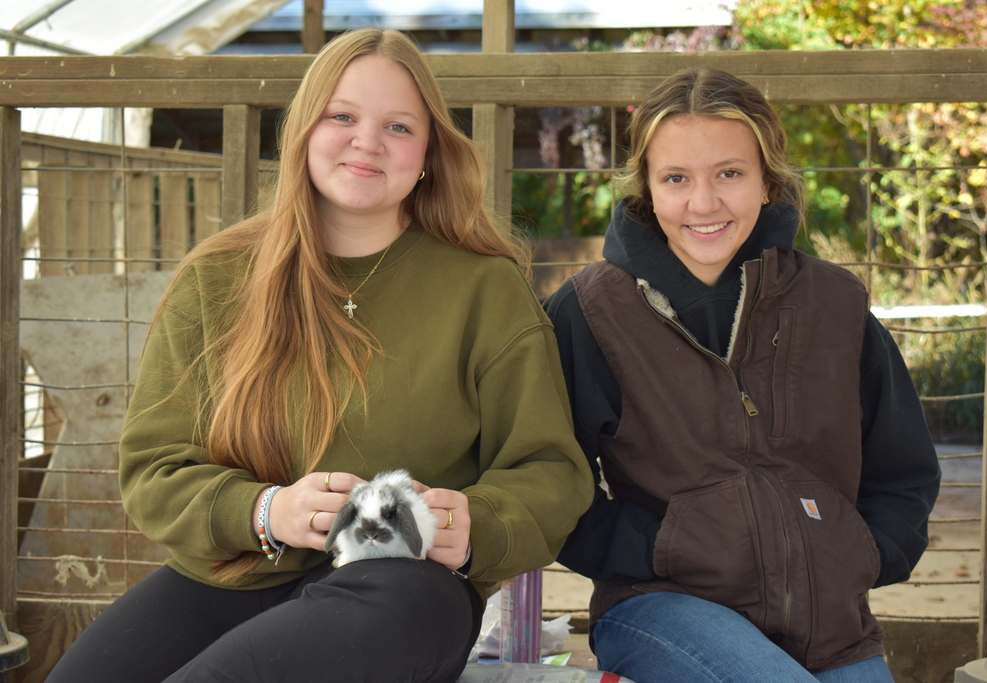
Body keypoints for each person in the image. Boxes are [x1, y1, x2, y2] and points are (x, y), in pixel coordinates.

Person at [47, 28, 591, 683]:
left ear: (427, 156)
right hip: (230, 575)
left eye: (398, 126)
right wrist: (266, 511)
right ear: (304, 130)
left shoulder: (483, 288)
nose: (367, 141)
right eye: (342, 116)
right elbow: (153, 469)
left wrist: (472, 525)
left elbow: (551, 474)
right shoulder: (217, 278)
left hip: (401, 593)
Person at [544, 67, 941, 682]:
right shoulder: (592, 312)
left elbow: (903, 465)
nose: (704, 203)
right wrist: (656, 550)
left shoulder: (835, 305)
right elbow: (552, 477)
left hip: (831, 624)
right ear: (646, 188)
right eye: (676, 178)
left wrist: (857, 554)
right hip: (662, 605)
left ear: (767, 181)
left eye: (730, 173)